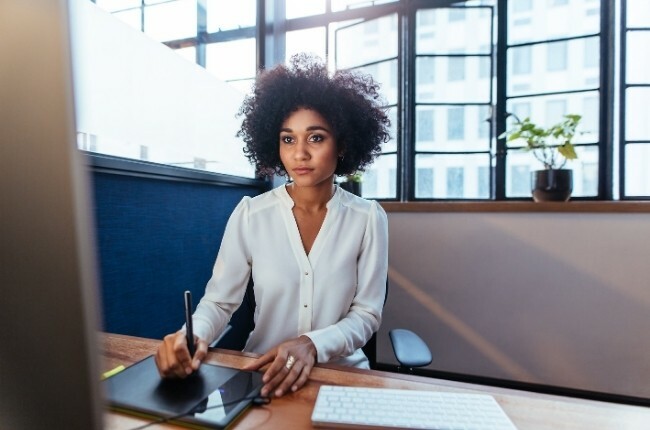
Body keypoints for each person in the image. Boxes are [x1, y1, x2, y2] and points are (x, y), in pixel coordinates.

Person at [155, 53, 390, 398]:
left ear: (342, 144)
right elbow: (219, 303)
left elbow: (367, 314)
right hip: (262, 376)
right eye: (288, 139)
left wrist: (311, 344)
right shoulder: (251, 214)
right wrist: (192, 336)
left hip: (339, 379)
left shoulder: (368, 218)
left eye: (316, 138)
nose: (299, 154)